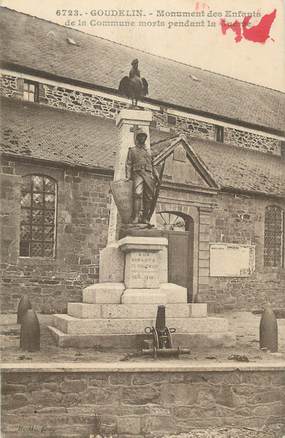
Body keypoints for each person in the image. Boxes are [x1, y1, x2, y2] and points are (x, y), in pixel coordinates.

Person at [126, 128, 159, 224]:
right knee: (137, 194)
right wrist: (128, 176)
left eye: (144, 137)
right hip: (138, 173)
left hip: (148, 174)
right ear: (137, 138)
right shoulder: (132, 150)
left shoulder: (149, 152)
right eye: (140, 136)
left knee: (149, 197)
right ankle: (136, 217)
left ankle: (145, 218)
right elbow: (128, 164)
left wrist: (156, 174)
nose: (142, 138)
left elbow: (153, 164)